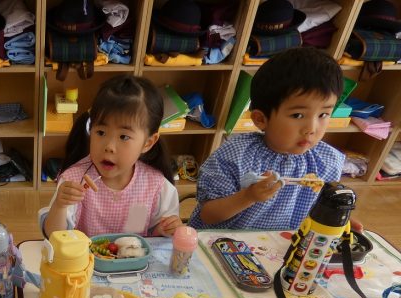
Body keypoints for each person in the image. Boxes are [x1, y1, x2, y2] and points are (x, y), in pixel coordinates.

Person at [189, 46, 357, 230]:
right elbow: (208, 215)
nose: (311, 129)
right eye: (298, 116)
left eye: (323, 115)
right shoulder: (236, 154)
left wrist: (339, 223)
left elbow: (324, 209)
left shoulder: (327, 160)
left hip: (283, 248)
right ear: (261, 119)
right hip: (222, 244)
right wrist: (248, 197)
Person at [41, 74, 181, 238]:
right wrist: (60, 205)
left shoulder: (156, 187)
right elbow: (55, 235)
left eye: (124, 137)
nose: (109, 147)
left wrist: (163, 230)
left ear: (148, 143)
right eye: (101, 132)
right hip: (86, 262)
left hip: (133, 262)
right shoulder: (74, 180)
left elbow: (151, 239)